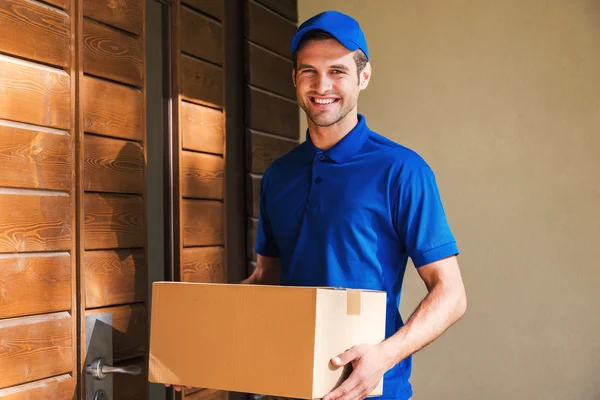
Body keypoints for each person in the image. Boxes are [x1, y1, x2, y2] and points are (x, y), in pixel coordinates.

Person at [170, 10, 467, 400]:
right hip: (285, 385)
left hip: (369, 391)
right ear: (294, 79)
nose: (321, 84)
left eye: (337, 71)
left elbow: (451, 294)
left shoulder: (402, 170)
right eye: (308, 70)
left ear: (364, 76)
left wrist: (384, 354)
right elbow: (266, 280)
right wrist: (215, 352)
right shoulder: (280, 174)